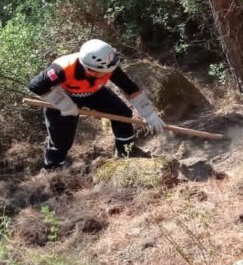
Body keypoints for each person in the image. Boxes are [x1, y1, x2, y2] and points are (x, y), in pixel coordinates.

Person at [28, 39, 165, 169]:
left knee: (122, 113)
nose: (109, 73)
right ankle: (53, 167)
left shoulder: (109, 65)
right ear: (89, 69)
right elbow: (35, 85)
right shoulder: (61, 69)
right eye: (103, 72)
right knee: (61, 139)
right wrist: (64, 104)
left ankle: (125, 150)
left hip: (95, 93)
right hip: (63, 97)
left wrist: (149, 113)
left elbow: (130, 88)